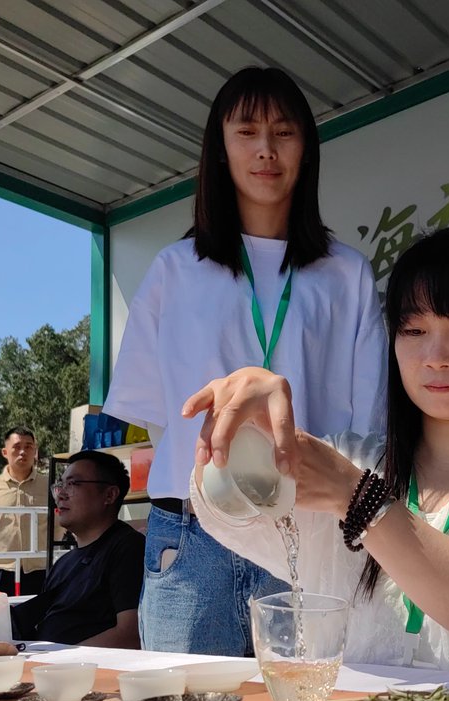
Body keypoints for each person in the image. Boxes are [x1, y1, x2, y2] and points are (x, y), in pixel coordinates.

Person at [187, 227, 449, 670]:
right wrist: (234, 433)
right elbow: (231, 511)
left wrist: (359, 500)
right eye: (413, 329)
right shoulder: (348, 459)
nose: (435, 356)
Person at [102, 66, 388, 656]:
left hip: (307, 530)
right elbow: (159, 419)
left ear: (306, 150)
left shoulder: (346, 275)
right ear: (219, 148)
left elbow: (370, 428)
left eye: (284, 132)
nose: (265, 149)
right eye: (247, 131)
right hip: (192, 531)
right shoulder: (175, 270)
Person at [10, 451, 143, 647]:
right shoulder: (64, 562)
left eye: (73, 484)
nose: (61, 495)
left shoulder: (128, 548)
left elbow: (131, 634)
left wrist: (61, 659)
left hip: (86, 671)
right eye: (60, 485)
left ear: (109, 495)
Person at [0, 427, 52, 596]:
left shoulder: (49, 486)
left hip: (39, 568)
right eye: (16, 447)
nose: (23, 452)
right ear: (5, 452)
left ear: (35, 451)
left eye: (29, 446)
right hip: (1, 570)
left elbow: (59, 523)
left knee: (38, 619)